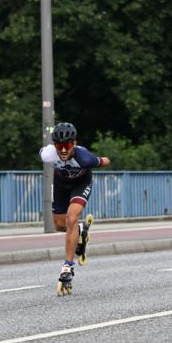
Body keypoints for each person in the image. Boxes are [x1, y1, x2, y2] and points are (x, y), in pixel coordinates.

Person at [39, 122, 110, 293]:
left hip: (81, 184)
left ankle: (67, 266)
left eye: (68, 145)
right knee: (60, 226)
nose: (63, 150)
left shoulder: (84, 157)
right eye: (59, 146)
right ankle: (80, 231)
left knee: (71, 217)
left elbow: (105, 161)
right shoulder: (47, 155)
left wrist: (102, 160)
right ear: (54, 145)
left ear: (74, 143)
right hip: (61, 185)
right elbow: (42, 151)